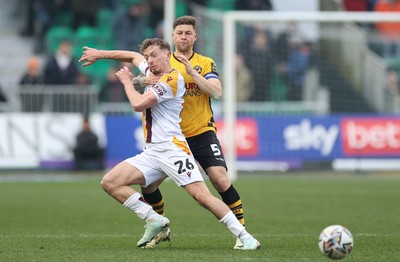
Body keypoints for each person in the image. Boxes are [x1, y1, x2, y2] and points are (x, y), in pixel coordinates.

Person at [79, 16, 252, 250]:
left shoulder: (195, 66)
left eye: (188, 32)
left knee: (215, 184)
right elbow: (133, 56)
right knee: (135, 185)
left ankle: (242, 234)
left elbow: (216, 93)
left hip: (193, 134)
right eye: (179, 32)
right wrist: (101, 54)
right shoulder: (156, 63)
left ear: (194, 37)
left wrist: (135, 82)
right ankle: (157, 224)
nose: (183, 36)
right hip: (158, 146)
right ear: (172, 36)